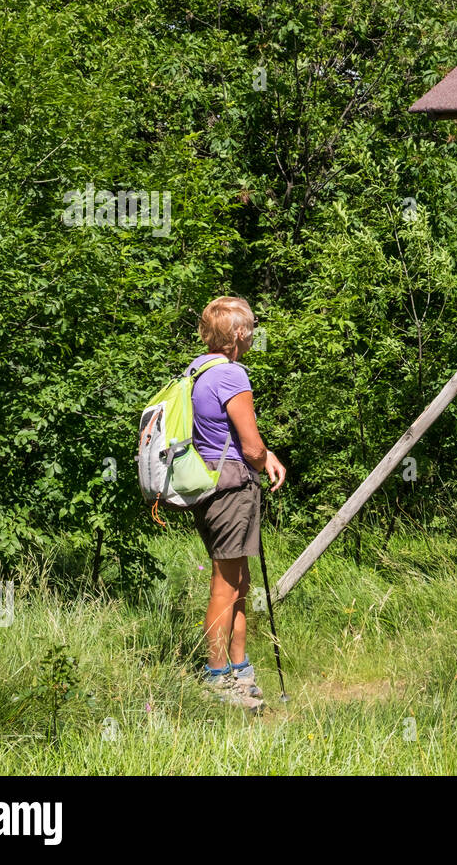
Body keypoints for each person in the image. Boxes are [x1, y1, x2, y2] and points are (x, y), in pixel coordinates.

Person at [187, 296, 286, 710]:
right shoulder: (231, 374)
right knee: (225, 584)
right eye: (251, 328)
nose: (253, 334)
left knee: (240, 580)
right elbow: (250, 444)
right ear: (240, 334)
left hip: (209, 485)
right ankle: (216, 676)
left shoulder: (198, 369)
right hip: (231, 489)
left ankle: (240, 668)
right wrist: (267, 460)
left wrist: (263, 457)